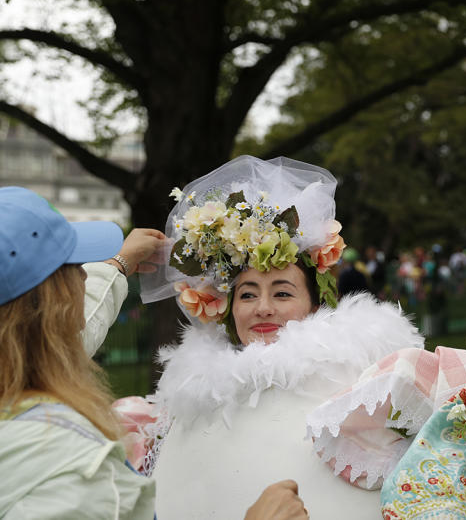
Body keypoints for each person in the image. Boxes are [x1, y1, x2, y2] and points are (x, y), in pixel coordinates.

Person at [127, 156, 423, 518]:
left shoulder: (361, 380)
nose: (263, 308)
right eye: (248, 294)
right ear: (229, 308)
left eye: (282, 293)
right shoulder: (197, 392)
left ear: (315, 306)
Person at [0, 186, 307, 519]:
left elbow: (58, 343)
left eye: (282, 293)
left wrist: (117, 265)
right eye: (74, 266)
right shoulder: (65, 460)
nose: (85, 273)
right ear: (55, 302)